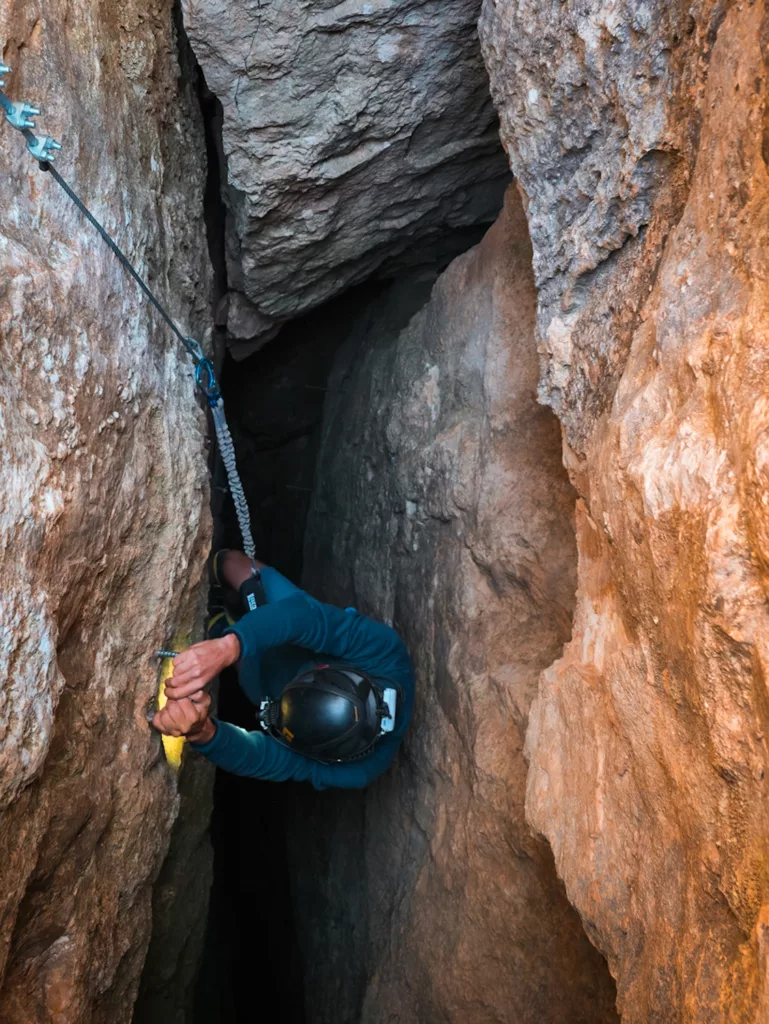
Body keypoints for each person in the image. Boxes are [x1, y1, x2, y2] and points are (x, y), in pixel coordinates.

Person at [151, 551, 414, 789]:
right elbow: (308, 620)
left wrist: (202, 732)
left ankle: (221, 625)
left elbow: (266, 759)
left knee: (252, 670)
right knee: (235, 567)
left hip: (266, 685)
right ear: (324, 668)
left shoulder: (359, 771)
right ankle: (221, 591)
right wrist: (229, 647)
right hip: (293, 637)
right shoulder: (384, 654)